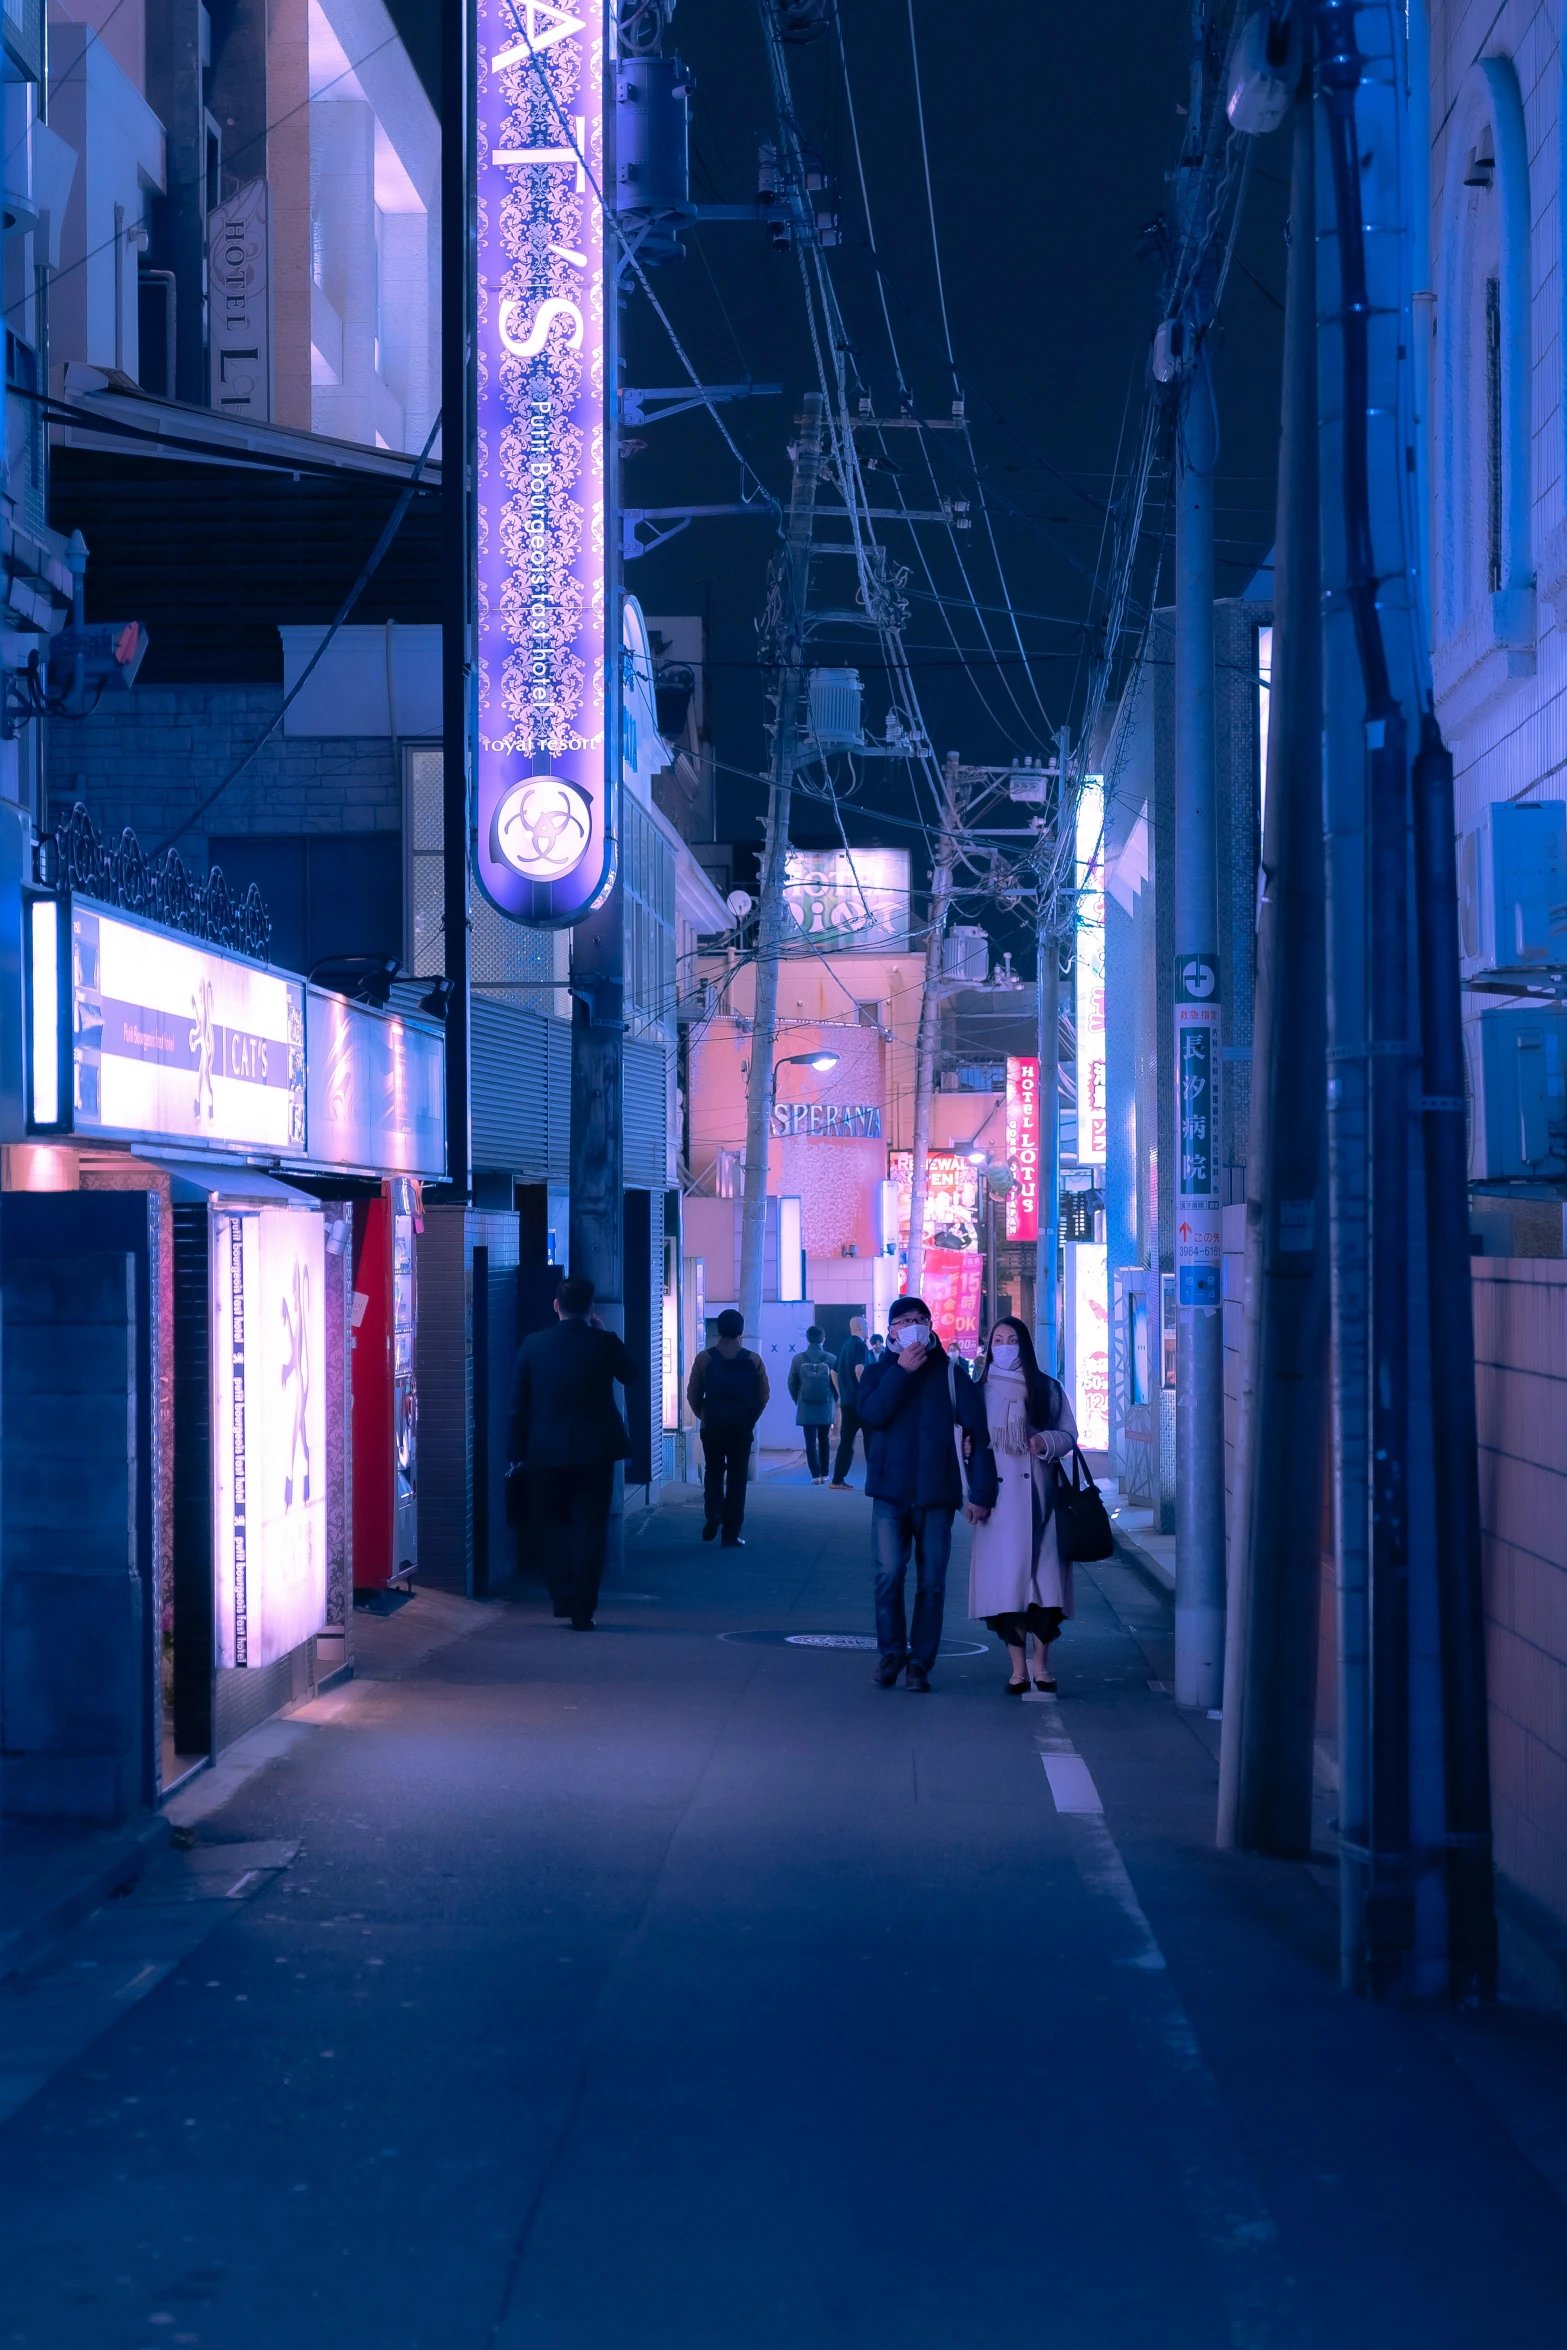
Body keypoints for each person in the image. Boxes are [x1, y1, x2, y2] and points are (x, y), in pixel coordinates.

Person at [855, 1295, 997, 1691]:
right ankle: (891, 1654)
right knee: (888, 1575)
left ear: (932, 1325)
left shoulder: (951, 1374)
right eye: (904, 1321)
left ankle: (920, 1662)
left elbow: (978, 1435)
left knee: (932, 1581)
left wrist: (980, 1492)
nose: (913, 1325)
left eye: (920, 1319)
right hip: (889, 1493)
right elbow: (871, 1415)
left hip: (937, 1495)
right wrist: (900, 1372)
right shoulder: (878, 1372)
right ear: (891, 1330)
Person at [507, 1274, 636, 1629]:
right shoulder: (604, 1342)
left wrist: (517, 1450)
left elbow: (518, 1402)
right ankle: (583, 1608)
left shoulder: (533, 1345)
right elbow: (632, 1374)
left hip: (545, 1451)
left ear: (555, 1306)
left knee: (552, 1524)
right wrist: (604, 1331)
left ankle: (562, 1596)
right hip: (596, 1450)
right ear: (591, 1308)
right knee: (590, 1526)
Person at [967, 1316, 1079, 1693]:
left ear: (1024, 1344)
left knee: (1045, 1591)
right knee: (1007, 1592)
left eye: (1011, 1339)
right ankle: (1017, 1668)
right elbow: (962, 1438)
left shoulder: (1046, 1387)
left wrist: (1044, 1441)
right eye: (997, 1339)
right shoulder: (978, 1391)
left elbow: (1069, 1434)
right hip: (998, 1507)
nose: (1003, 1345)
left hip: (1041, 1503)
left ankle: (1042, 1664)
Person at [687, 1308, 769, 1546]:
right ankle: (731, 1533)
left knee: (713, 1471)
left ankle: (714, 1512)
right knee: (737, 1477)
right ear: (741, 1331)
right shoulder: (753, 1360)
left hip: (712, 1424)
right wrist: (750, 1418)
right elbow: (764, 1395)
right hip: (741, 1426)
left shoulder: (705, 1358)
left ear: (718, 1329)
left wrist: (704, 1414)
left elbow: (693, 1394)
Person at [787, 1325, 839, 1482]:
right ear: (823, 1339)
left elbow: (791, 1382)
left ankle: (815, 1475)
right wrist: (833, 1400)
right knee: (824, 1439)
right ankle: (825, 1474)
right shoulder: (831, 1358)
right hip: (825, 1404)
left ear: (807, 1339)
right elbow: (837, 1383)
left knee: (810, 1442)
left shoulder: (798, 1359)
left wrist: (799, 1399)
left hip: (806, 1405)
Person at [829, 1315, 870, 1488]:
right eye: (867, 1325)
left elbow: (833, 1372)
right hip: (862, 1403)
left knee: (846, 1442)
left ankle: (837, 1479)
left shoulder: (845, 1345)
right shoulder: (860, 1345)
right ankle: (875, 1480)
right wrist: (867, 1392)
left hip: (847, 1403)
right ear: (860, 1327)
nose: (868, 1328)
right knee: (871, 1441)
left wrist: (841, 1393)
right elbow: (859, 1370)